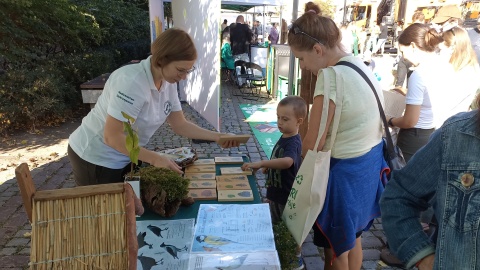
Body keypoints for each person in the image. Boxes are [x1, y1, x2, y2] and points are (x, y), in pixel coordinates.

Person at [68, 29, 240, 186]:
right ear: (160, 61)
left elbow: (179, 124)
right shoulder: (132, 83)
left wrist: (218, 136)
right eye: (181, 70)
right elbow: (112, 137)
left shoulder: (168, 80)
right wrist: (155, 158)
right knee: (108, 214)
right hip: (95, 158)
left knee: (130, 207)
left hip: (126, 154)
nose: (185, 77)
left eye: (189, 70)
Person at [287, 3, 387, 269]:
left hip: (344, 173)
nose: (305, 67)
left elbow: (313, 142)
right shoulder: (360, 65)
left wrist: (297, 178)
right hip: (367, 166)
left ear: (318, 50)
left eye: (302, 59)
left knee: (336, 250)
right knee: (353, 237)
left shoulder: (330, 77)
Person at [380, 95, 480, 269]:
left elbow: (410, 119)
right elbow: (399, 196)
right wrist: (423, 257)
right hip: (438, 138)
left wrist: (390, 120)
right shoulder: (455, 135)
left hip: (424, 132)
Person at [241, 95, 307, 270]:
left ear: (299, 121)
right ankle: (281, 252)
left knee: (287, 228)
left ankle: (294, 259)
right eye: (278, 117)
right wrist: (270, 168)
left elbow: (288, 162)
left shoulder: (293, 141)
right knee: (277, 224)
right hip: (276, 193)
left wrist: (262, 163)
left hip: (284, 196)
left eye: (285, 119)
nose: (280, 122)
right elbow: (279, 159)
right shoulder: (285, 135)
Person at [388, 24, 454, 162]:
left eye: (402, 52)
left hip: (414, 137)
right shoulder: (444, 64)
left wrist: (390, 120)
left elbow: (410, 121)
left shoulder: (418, 75)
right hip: (434, 130)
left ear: (412, 46)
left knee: (402, 178)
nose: (404, 57)